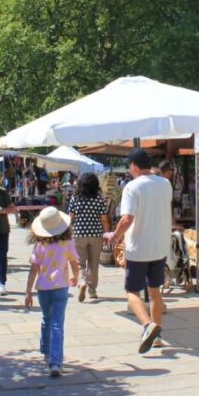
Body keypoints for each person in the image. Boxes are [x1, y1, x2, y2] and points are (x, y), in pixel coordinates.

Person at [108, 149, 172, 354]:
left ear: (134, 166)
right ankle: (158, 336)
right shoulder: (165, 184)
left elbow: (127, 218)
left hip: (138, 247)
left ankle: (148, 326)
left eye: (129, 166)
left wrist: (115, 235)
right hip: (160, 245)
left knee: (132, 292)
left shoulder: (132, 187)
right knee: (154, 291)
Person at [24, 207, 79, 377]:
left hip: (43, 289)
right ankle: (55, 361)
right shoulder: (67, 243)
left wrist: (28, 292)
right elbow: (74, 263)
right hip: (61, 287)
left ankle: (46, 350)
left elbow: (33, 269)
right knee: (57, 323)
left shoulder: (39, 245)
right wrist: (76, 277)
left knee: (46, 319)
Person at [67, 172, 111, 302]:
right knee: (94, 263)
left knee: (80, 262)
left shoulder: (75, 198)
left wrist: (68, 232)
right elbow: (104, 219)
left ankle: (82, 281)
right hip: (96, 234)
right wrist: (107, 232)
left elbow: (70, 217)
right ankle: (92, 291)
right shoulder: (99, 199)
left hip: (79, 233)